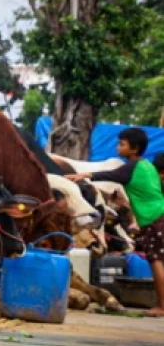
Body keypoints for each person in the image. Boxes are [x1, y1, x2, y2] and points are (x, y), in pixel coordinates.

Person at [67, 128, 164, 316]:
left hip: (154, 219)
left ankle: (162, 306)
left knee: (156, 261)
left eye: (122, 144)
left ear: (134, 149)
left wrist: (84, 176)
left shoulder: (131, 166)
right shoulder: (147, 166)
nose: (118, 147)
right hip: (159, 214)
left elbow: (111, 175)